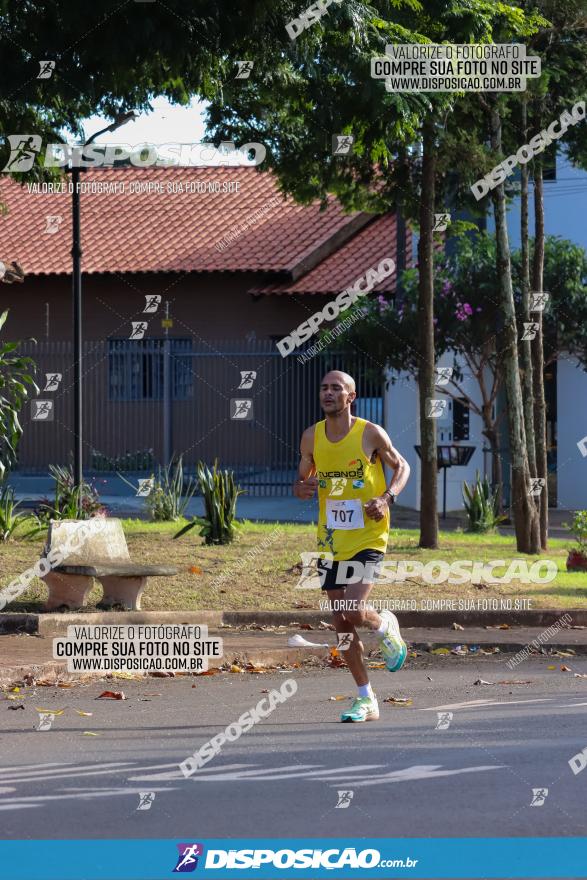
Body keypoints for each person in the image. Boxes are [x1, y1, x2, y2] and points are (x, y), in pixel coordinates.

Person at [293, 370, 411, 722]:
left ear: (351, 397)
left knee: (355, 610)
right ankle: (366, 698)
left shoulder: (369, 433)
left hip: (369, 534)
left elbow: (402, 465)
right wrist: (300, 488)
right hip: (331, 538)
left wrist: (387, 497)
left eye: (336, 388)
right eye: (324, 387)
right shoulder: (311, 437)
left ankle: (383, 625)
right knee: (340, 623)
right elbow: (303, 479)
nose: (328, 393)